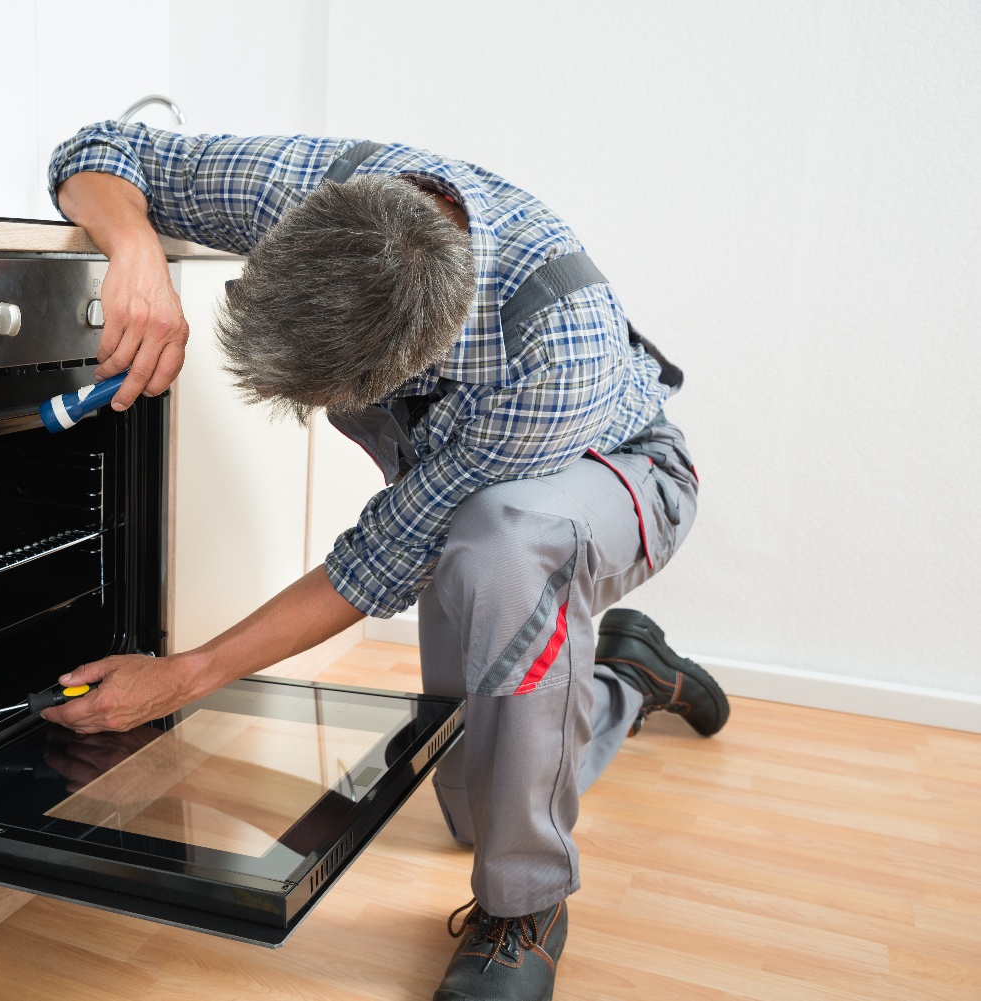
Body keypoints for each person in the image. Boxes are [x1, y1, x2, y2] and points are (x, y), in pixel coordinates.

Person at [39, 121, 730, 1001]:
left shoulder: (555, 347)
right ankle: (628, 676)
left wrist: (186, 676)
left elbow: (382, 556)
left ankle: (526, 907)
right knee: (473, 803)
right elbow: (95, 151)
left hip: (625, 472)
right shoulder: (296, 185)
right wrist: (134, 249)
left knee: (503, 541)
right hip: (477, 506)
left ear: (414, 364)